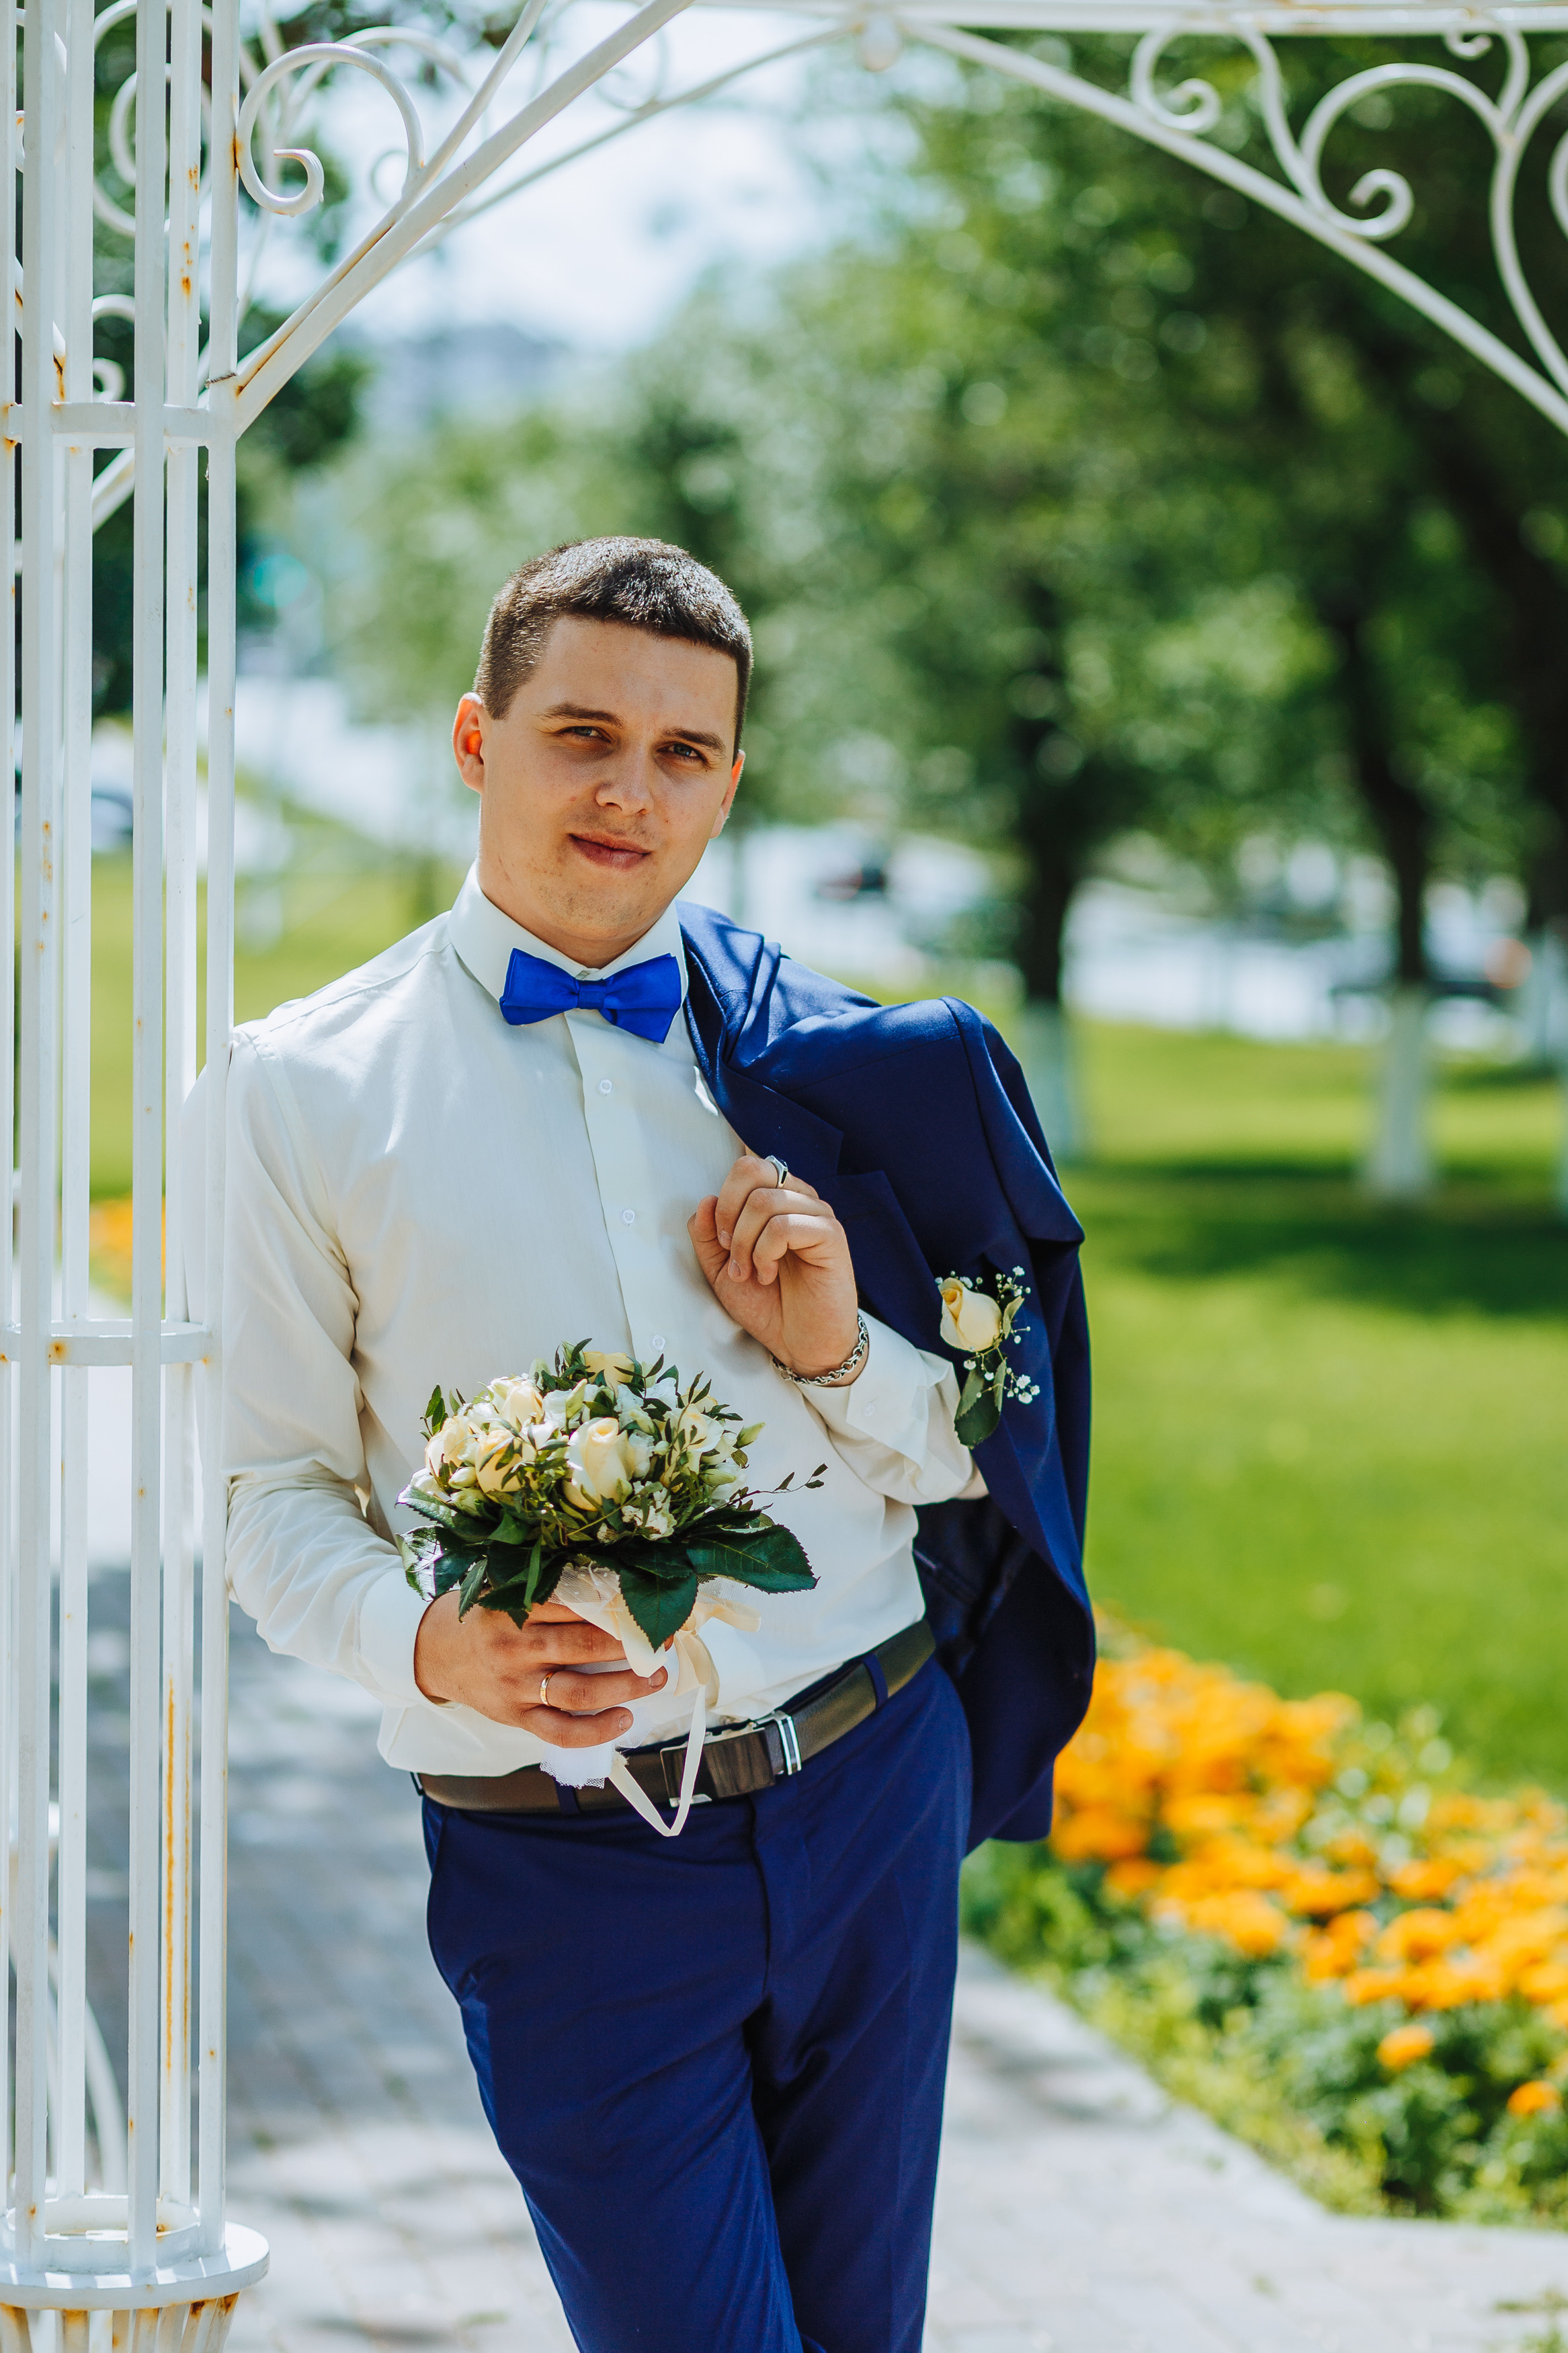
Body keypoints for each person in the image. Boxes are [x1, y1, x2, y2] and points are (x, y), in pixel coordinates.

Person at [190, 536, 1093, 2353]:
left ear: (733, 781)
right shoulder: (300, 1088)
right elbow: (263, 1494)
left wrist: (837, 1348)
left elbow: (968, 1447)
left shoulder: (839, 1061)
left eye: (685, 753)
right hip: (570, 1858)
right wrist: (429, 1642)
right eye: (582, 732)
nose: (630, 789)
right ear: (475, 735)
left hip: (870, 1782)